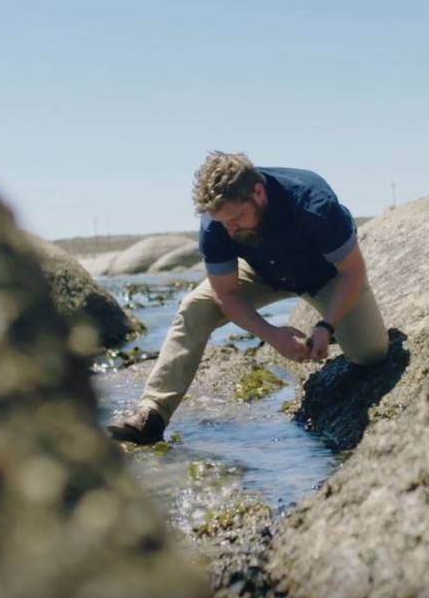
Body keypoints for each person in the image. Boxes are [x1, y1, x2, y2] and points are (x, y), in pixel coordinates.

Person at [106, 151, 390, 445]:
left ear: (258, 192)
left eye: (237, 218)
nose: (230, 229)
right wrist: (273, 335)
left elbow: (352, 272)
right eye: (222, 222)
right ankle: (152, 413)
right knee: (194, 307)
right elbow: (225, 294)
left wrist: (327, 326)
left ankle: (334, 335)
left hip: (324, 273)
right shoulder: (217, 223)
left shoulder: (312, 203)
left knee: (371, 354)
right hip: (260, 272)